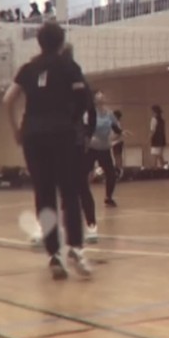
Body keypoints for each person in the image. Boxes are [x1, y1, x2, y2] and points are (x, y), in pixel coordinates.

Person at [3, 23, 91, 279]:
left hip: (33, 135)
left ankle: (54, 255)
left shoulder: (28, 68)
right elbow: (83, 100)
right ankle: (75, 248)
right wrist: (72, 120)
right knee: (70, 193)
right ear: (61, 42)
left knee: (44, 195)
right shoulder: (68, 66)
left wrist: (16, 130)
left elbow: (8, 99)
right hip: (62, 134)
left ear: (39, 42)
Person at [61, 44, 99, 244]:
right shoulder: (63, 78)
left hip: (71, 140)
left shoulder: (76, 78)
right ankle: (82, 226)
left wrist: (87, 133)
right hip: (68, 139)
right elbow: (91, 112)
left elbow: (91, 111)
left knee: (77, 186)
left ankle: (88, 225)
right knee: (75, 186)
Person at [89, 90, 122, 208]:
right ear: (94, 99)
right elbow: (84, 129)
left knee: (111, 174)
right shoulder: (90, 113)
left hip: (104, 148)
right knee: (87, 174)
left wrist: (119, 135)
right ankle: (82, 196)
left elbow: (117, 130)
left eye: (102, 95)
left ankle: (108, 197)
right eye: (98, 95)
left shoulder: (109, 114)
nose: (101, 96)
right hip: (91, 148)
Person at [111, 110, 131, 178]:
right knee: (116, 157)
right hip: (115, 142)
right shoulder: (115, 123)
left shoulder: (117, 123)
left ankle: (120, 171)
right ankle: (117, 171)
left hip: (117, 142)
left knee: (118, 157)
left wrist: (111, 139)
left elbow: (118, 134)